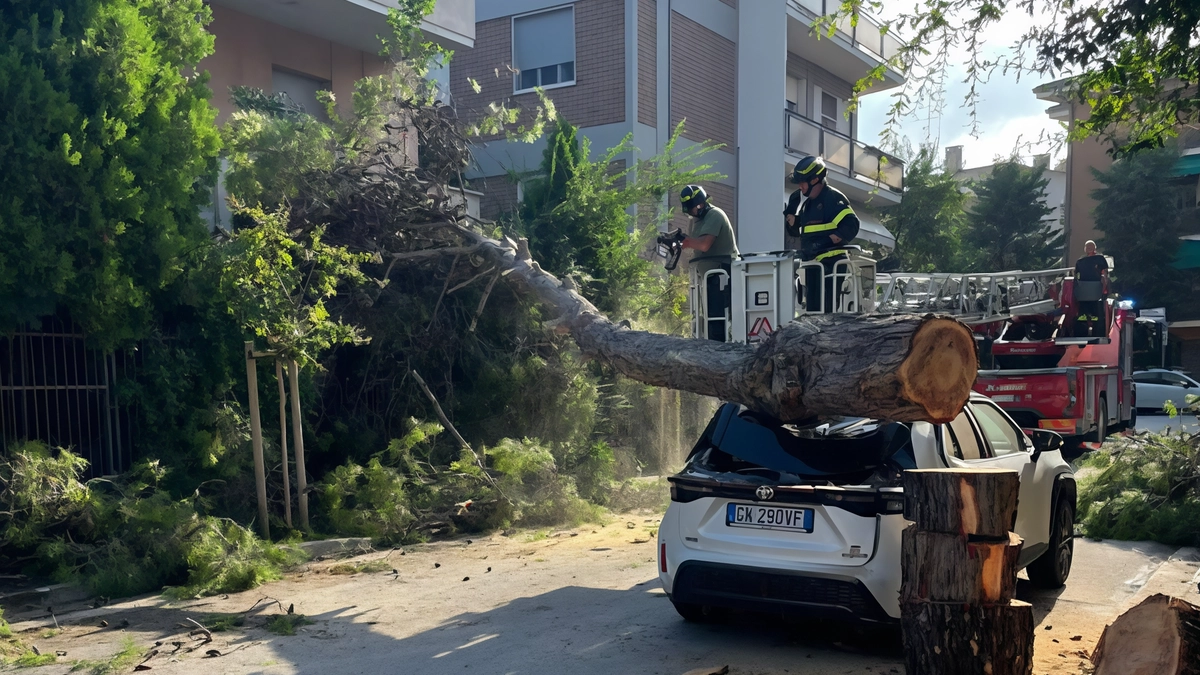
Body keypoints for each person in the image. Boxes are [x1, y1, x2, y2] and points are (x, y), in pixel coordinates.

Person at [784, 156, 860, 312]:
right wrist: (793, 221)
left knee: (827, 311)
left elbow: (851, 224)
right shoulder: (807, 205)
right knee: (813, 311)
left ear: (815, 180)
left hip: (832, 264)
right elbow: (807, 231)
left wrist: (824, 243)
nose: (800, 187)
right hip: (814, 264)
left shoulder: (832, 198)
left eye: (802, 182)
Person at [678, 185, 739, 341]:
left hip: (722, 275)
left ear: (700, 203)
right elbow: (693, 246)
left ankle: (720, 350)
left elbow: (704, 244)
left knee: (718, 319)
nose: (692, 213)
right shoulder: (696, 221)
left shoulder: (715, 215)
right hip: (706, 278)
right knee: (707, 319)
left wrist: (688, 241)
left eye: (693, 209)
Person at [1073, 240, 1109, 337]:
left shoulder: (1099, 259)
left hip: (1091, 290)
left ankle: (1091, 330)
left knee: (1090, 313)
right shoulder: (1080, 261)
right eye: (1087, 246)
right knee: (1087, 314)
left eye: (1090, 246)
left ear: (1094, 248)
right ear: (1085, 249)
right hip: (1088, 291)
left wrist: (1104, 287)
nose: (1089, 248)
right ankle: (1085, 330)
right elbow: (1075, 277)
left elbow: (1104, 274)